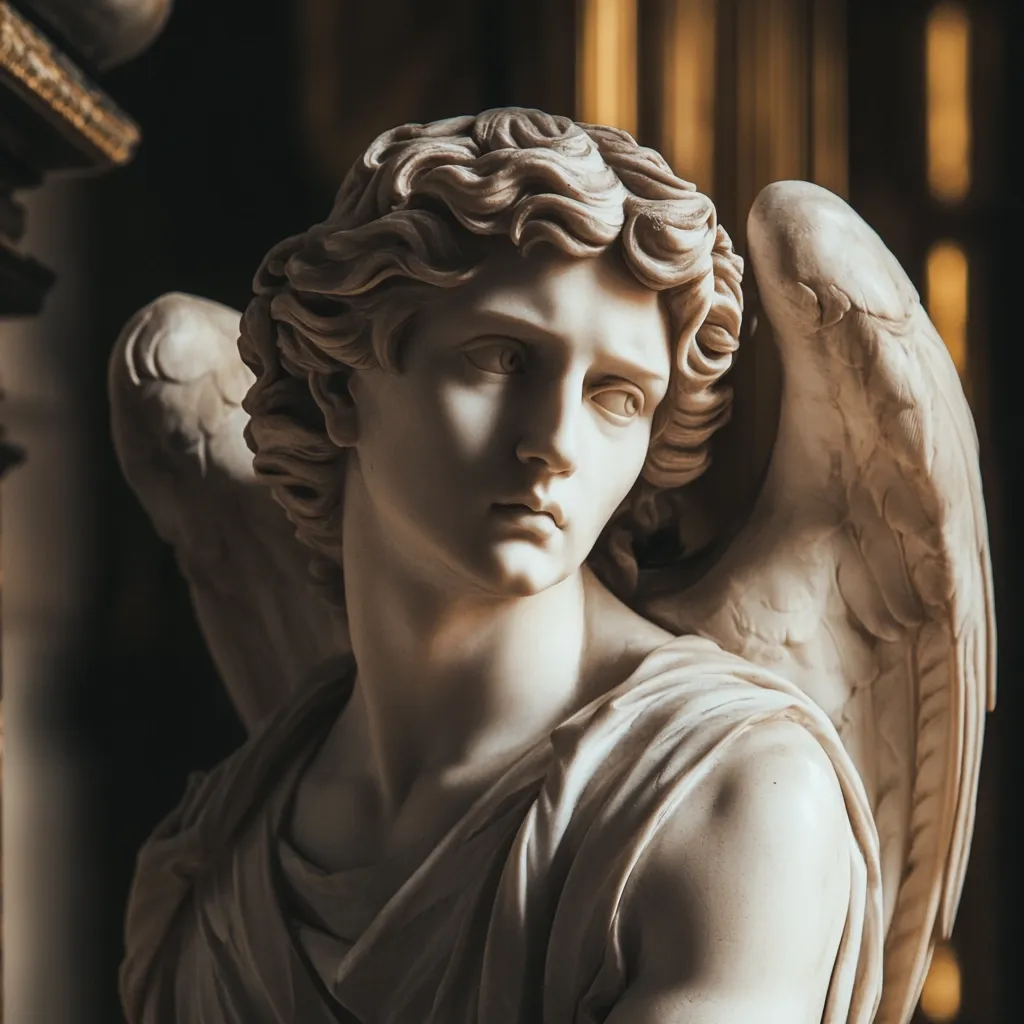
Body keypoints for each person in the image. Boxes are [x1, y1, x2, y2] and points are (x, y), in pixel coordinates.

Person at [120, 108, 881, 1024]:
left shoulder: (732, 800)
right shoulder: (219, 850)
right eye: (503, 358)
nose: (555, 443)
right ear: (340, 385)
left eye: (616, 396)